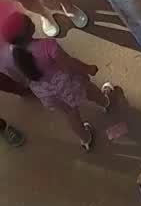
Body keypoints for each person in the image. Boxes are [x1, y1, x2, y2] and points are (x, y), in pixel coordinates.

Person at [0, 8, 115, 148]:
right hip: (65, 82)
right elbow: (69, 63)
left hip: (45, 92)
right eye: (28, 20)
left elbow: (18, 78)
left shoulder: (9, 58)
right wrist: (88, 68)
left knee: (70, 113)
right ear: (29, 30)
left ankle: (85, 138)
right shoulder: (47, 46)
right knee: (88, 89)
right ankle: (105, 101)